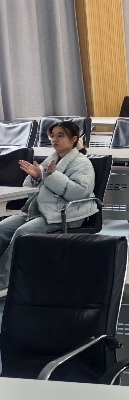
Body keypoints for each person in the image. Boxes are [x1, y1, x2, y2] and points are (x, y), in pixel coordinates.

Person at [0, 120, 97, 289]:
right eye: (52, 136)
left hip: (67, 213)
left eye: (60, 136)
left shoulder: (82, 163)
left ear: (74, 139)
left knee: (23, 234)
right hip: (41, 210)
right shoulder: (52, 159)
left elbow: (79, 192)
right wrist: (36, 177)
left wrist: (50, 176)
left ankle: (5, 281)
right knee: (2, 228)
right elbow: (33, 188)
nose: (55, 140)